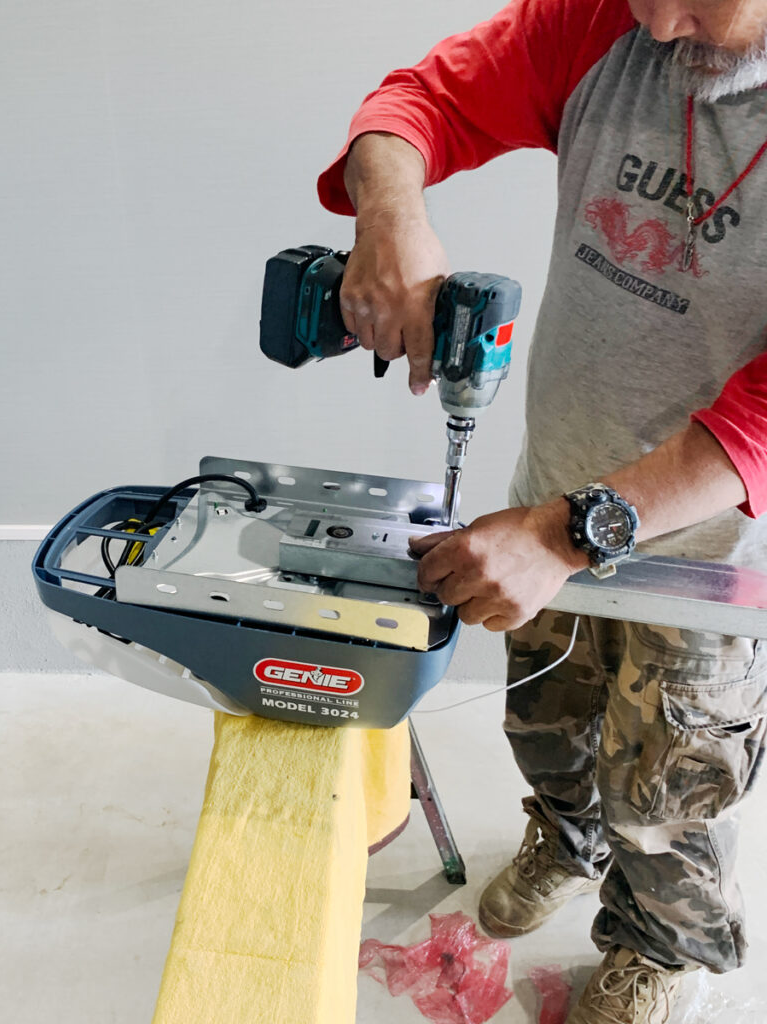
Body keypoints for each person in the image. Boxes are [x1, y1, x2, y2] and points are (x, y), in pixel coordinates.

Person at [317, 0, 767, 1019]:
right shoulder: (604, 22)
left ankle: (657, 942)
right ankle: (568, 837)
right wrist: (390, 214)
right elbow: (416, 103)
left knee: (668, 786)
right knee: (548, 719)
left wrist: (565, 533)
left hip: (710, 555)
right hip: (547, 499)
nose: (658, 27)